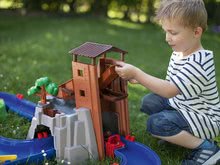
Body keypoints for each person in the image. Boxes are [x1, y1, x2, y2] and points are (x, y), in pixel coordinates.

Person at [115, 0, 220, 164]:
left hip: (204, 119)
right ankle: (175, 135)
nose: (167, 38)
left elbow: (169, 90)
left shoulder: (199, 62)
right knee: (149, 102)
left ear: (196, 32)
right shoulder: (180, 53)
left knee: (155, 124)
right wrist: (141, 80)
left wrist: (138, 73)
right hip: (183, 106)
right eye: (166, 31)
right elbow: (169, 84)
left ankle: (206, 147)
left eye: (173, 33)